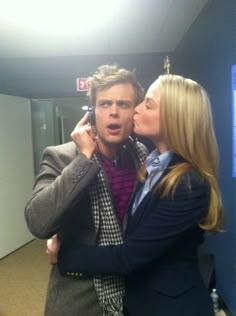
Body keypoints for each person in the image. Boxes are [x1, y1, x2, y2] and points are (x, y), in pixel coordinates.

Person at [55, 74, 224, 316]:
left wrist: (64, 253)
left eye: (148, 104)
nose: (135, 109)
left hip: (172, 308)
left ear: (174, 118)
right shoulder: (151, 164)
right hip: (141, 300)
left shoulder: (188, 184)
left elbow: (129, 256)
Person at [24, 65, 147, 316]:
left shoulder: (142, 157)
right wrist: (83, 159)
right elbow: (38, 222)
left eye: (123, 104)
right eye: (104, 104)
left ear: (134, 111)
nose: (113, 112)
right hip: (78, 300)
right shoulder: (61, 156)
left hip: (135, 294)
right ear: (92, 112)